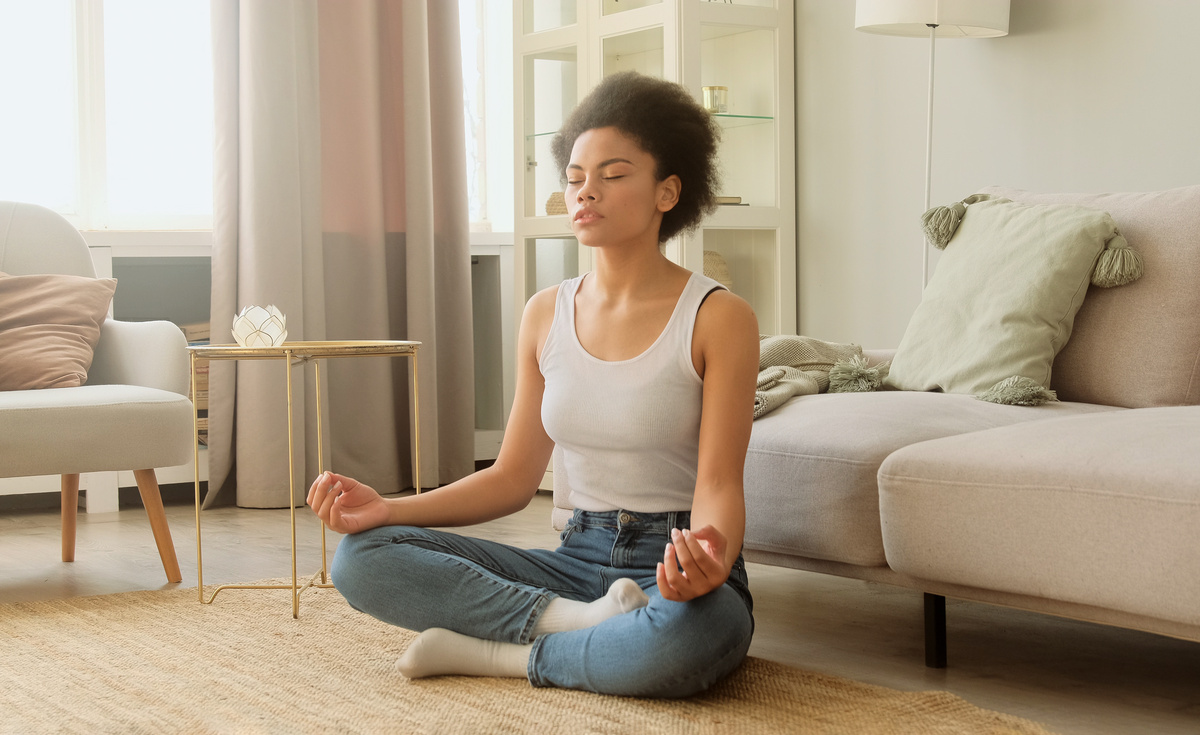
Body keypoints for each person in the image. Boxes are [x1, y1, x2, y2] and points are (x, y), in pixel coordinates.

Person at [307, 70, 759, 698]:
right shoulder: (545, 313)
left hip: (674, 563)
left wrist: (706, 559)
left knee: (682, 639)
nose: (586, 193)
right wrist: (389, 509)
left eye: (613, 174)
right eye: (575, 179)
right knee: (362, 559)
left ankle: (497, 654)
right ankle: (578, 627)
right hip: (577, 556)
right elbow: (512, 479)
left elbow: (717, 483)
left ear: (668, 191)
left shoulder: (719, 317)